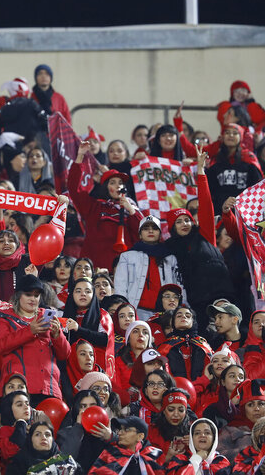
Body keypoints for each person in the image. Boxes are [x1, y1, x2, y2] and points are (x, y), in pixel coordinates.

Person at [165, 147, 234, 329]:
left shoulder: (204, 234)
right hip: (196, 303)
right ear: (172, 228)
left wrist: (201, 171)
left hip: (223, 296)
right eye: (179, 221)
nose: (185, 223)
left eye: (187, 219)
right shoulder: (170, 246)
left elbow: (206, 204)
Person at [0, 275, 70, 404]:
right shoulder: (4, 318)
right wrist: (30, 331)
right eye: (28, 294)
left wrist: (58, 335)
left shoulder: (47, 316)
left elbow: (64, 354)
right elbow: (0, 346)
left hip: (49, 388)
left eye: (36, 295)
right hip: (17, 390)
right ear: (18, 295)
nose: (33, 299)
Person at [68, 141, 143, 272]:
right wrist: (80, 155)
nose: (118, 185)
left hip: (126, 268)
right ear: (105, 187)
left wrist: (131, 211)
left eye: (121, 183)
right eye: (113, 182)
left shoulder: (131, 208)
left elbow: (141, 234)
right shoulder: (93, 206)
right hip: (96, 267)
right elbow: (74, 188)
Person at [113, 216, 182, 320]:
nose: (150, 231)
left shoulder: (170, 257)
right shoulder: (127, 256)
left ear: (160, 234)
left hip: (166, 312)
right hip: (136, 310)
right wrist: (123, 309)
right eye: (146, 228)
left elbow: (179, 285)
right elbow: (120, 286)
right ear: (140, 234)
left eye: (154, 228)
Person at [63, 277, 116, 378]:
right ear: (72, 295)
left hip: (96, 367)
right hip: (69, 368)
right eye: (78, 291)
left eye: (88, 291)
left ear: (93, 295)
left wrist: (79, 329)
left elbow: (105, 339)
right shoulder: (63, 316)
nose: (83, 294)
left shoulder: (102, 314)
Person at [89, 416, 163, 474]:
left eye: (127, 430)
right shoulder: (110, 453)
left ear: (140, 436)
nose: (120, 433)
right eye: (120, 429)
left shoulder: (154, 456)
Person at [159, 305, 213, 380]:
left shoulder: (203, 344)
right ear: (173, 322)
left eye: (188, 316)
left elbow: (210, 370)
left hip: (202, 389)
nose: (183, 317)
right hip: (175, 390)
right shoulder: (165, 346)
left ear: (193, 321)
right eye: (179, 316)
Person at [8, 421, 79, 475]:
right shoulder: (18, 465)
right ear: (30, 439)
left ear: (53, 440)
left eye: (47, 435)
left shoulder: (67, 462)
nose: (43, 438)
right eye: (37, 434)